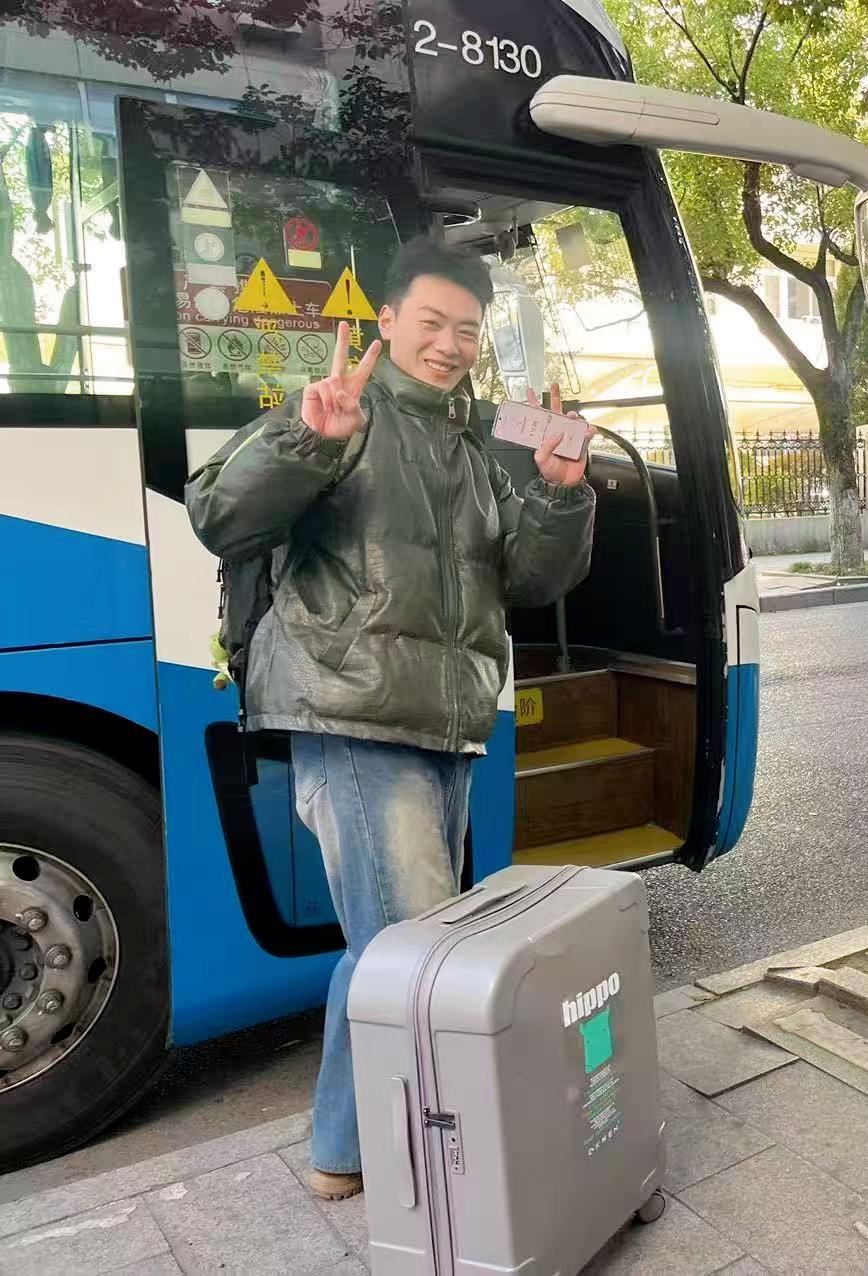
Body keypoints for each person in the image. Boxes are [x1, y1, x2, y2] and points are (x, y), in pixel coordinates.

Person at [186, 239, 596, 1202]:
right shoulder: (340, 412)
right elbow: (219, 514)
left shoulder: (477, 442)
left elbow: (532, 578)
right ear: (388, 321)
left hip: (446, 722)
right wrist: (309, 441)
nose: (449, 344)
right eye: (431, 323)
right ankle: (421, 1156)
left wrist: (558, 493)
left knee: (394, 947)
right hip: (355, 711)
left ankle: (347, 1148)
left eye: (467, 330)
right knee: (414, 951)